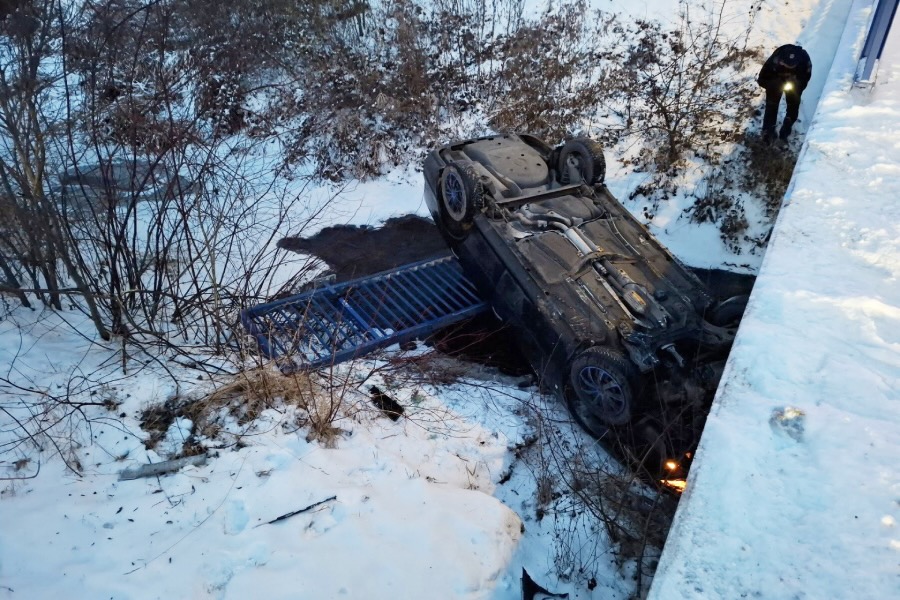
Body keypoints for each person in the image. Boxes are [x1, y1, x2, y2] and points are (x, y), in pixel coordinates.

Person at [757, 44, 812, 142]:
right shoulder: (776, 58)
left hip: (794, 83)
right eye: (785, 65)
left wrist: (798, 88)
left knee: (793, 106)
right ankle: (768, 133)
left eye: (790, 67)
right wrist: (771, 86)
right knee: (771, 106)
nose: (787, 68)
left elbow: (806, 77)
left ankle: (786, 129)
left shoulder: (804, 61)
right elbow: (763, 77)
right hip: (776, 80)